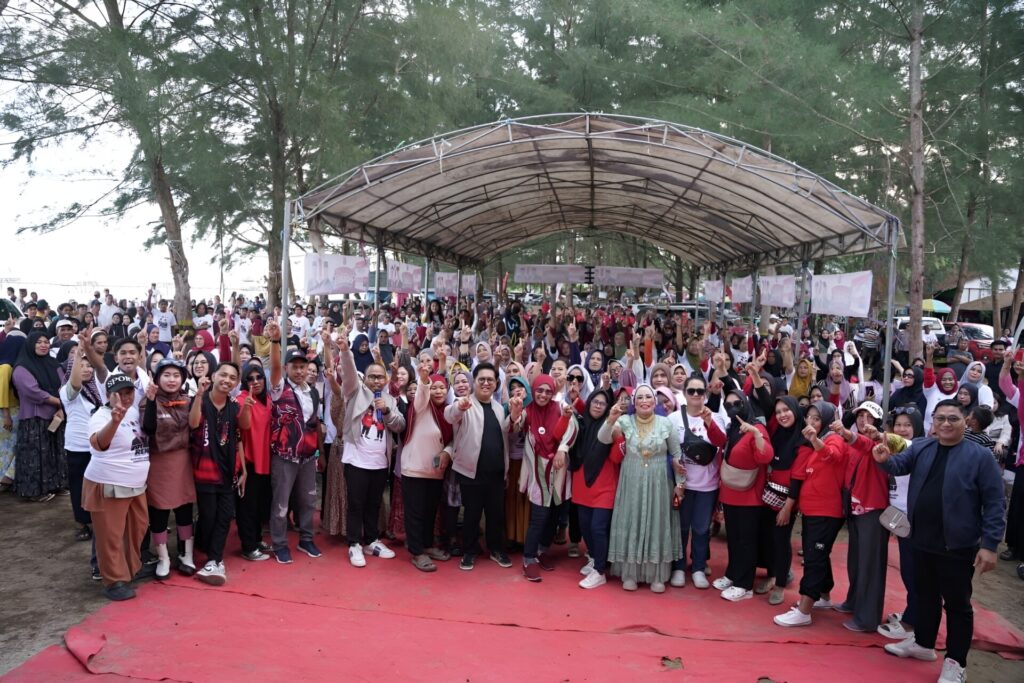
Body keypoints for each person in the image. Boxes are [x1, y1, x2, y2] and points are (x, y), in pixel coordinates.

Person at [875, 400, 1005, 683]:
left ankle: (956, 662)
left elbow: (995, 502)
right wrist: (884, 459)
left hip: (957, 545)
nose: (946, 424)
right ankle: (923, 644)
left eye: (953, 419)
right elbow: (899, 466)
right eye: (940, 418)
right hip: (920, 538)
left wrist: (990, 544)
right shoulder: (922, 446)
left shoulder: (980, 456)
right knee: (925, 596)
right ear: (932, 421)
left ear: (966, 420)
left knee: (958, 605)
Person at [604, 384, 686, 593]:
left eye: (648, 396)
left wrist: (679, 484)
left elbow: (677, 456)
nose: (644, 400)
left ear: (654, 400)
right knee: (632, 520)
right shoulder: (624, 421)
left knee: (656, 523)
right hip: (631, 479)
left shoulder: (666, 423)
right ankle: (630, 573)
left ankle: (657, 575)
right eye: (639, 397)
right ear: (634, 402)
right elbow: (603, 438)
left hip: (659, 482)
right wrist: (611, 419)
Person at [773, 402, 848, 627]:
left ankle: (804, 609)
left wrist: (816, 440)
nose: (812, 422)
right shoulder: (808, 441)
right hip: (813, 509)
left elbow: (832, 456)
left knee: (814, 558)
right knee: (819, 553)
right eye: (809, 417)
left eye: (817, 418)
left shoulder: (833, 438)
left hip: (826, 510)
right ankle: (823, 596)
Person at [337, 329, 406, 567]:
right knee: (356, 503)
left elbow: (399, 425)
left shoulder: (390, 400)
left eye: (380, 376)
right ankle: (354, 544)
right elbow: (347, 374)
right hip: (356, 460)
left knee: (374, 503)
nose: (376, 380)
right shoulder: (355, 392)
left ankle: (372, 540)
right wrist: (345, 351)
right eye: (372, 376)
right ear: (365, 379)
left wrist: (386, 411)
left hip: (379, 461)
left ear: (386, 380)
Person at [444, 361, 520, 571]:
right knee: (471, 514)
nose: (486, 383)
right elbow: (449, 415)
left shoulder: (498, 408)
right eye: (481, 380)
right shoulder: (464, 403)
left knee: (496, 515)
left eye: (490, 380)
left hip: (496, 473)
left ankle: (495, 549)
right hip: (470, 472)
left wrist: (514, 415)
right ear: (474, 383)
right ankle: (469, 551)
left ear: (496, 384)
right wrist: (459, 406)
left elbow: (509, 432)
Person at [84, 373, 150, 601]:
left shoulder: (132, 411)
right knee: (110, 534)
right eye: (119, 393)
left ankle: (130, 568)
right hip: (109, 482)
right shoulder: (100, 416)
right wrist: (114, 421)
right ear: (108, 395)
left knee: (137, 527)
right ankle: (114, 581)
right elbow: (99, 443)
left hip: (136, 484)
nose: (124, 397)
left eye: (128, 392)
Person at [264, 320, 322, 564]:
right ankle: (279, 544)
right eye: (294, 367)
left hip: (308, 456)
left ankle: (306, 539)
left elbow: (315, 423)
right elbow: (275, 366)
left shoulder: (313, 391)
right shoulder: (278, 389)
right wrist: (276, 341)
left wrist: (320, 454)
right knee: (281, 502)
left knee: (308, 499)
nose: (299, 371)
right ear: (287, 368)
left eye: (303, 367)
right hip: (284, 456)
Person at [514, 374, 578, 582]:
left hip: (558, 470)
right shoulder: (528, 411)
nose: (543, 395)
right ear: (533, 391)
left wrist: (562, 448)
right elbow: (516, 425)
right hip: (538, 470)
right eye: (539, 390)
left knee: (555, 514)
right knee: (540, 515)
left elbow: (572, 427)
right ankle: (529, 558)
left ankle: (542, 550)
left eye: (548, 391)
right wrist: (515, 410)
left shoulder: (560, 408)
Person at [713, 389, 773, 602]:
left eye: (737, 403)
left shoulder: (756, 427)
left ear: (745, 403)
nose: (733, 408)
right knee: (735, 540)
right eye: (728, 405)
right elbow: (721, 445)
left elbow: (766, 456)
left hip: (750, 495)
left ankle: (744, 585)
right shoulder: (732, 428)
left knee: (746, 541)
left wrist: (756, 434)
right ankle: (733, 574)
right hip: (730, 492)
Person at [189, 362, 246, 585]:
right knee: (209, 517)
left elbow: (239, 437)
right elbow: (193, 424)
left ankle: (215, 560)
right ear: (213, 376)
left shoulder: (234, 406)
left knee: (224, 518)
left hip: (228, 471)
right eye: (223, 375)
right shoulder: (201, 400)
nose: (227, 380)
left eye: (232, 378)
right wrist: (197, 396)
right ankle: (205, 552)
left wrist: (243, 470)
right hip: (204, 471)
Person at [835, 401, 890, 633]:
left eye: (868, 416)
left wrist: (847, 434)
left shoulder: (880, 442)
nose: (862, 420)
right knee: (856, 560)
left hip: (873, 509)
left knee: (870, 564)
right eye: (860, 415)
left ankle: (867, 618)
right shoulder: (854, 443)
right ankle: (854, 600)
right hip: (855, 508)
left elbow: (867, 444)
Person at [667, 375, 727, 590]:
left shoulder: (716, 417)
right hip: (682, 485)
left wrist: (710, 422)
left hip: (708, 485)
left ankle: (699, 567)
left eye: (700, 391)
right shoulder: (673, 419)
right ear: (684, 393)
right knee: (681, 528)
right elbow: (666, 449)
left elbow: (721, 443)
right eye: (691, 391)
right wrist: (673, 464)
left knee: (702, 529)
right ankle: (679, 567)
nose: (695, 395)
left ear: (706, 394)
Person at [141, 358, 196, 578]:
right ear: (157, 378)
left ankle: (187, 554)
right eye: (166, 375)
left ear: (182, 378)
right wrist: (152, 400)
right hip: (158, 463)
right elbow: (148, 428)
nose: (171, 380)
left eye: (176, 375)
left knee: (184, 510)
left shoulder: (189, 401)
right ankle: (163, 557)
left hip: (183, 462)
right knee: (159, 511)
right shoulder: (147, 401)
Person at [401, 363, 454, 572]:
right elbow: (421, 396)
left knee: (430, 511)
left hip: (435, 472)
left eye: (442, 388)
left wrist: (447, 453)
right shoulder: (421, 407)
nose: (438, 391)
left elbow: (452, 440)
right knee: (414, 512)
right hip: (414, 468)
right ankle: (417, 552)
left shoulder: (447, 413)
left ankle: (426, 545)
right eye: (435, 388)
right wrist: (424, 381)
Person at [877, 406, 925, 641]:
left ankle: (910, 624)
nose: (902, 429)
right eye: (898, 424)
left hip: (916, 519)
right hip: (900, 518)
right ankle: (912, 613)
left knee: (915, 573)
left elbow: (906, 445)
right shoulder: (896, 449)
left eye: (908, 425)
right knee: (909, 571)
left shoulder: (918, 448)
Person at [570, 389, 622, 589]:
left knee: (598, 528)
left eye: (603, 403)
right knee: (585, 527)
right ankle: (595, 558)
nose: (598, 405)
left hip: (604, 485)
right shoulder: (581, 423)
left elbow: (617, 457)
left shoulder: (613, 426)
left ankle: (600, 571)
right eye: (595, 401)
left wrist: (618, 439)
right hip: (582, 484)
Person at [12, 331, 67, 501]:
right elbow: (33, 392)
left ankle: (56, 485)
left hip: (56, 417)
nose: (43, 345)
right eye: (39, 342)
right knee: (34, 456)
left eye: (45, 342)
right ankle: (34, 492)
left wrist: (62, 403)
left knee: (54, 453)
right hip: (34, 418)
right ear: (30, 345)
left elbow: (64, 384)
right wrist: (59, 402)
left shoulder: (53, 363)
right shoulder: (22, 367)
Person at [235, 360, 273, 561]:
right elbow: (244, 426)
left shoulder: (267, 399)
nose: (255, 382)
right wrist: (248, 407)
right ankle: (248, 546)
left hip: (265, 460)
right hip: (248, 461)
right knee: (247, 507)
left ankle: (256, 539)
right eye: (250, 378)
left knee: (259, 505)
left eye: (259, 377)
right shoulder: (242, 399)